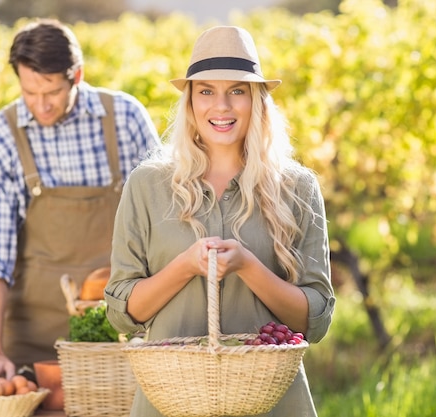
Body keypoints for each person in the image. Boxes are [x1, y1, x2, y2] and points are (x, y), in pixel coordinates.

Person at [105, 26, 335, 416]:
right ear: (190, 102)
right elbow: (123, 314)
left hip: (273, 402)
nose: (221, 106)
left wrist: (248, 265)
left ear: (257, 100)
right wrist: (184, 266)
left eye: (237, 91)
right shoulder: (147, 185)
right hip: (170, 402)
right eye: (206, 91)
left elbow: (315, 319)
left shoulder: (297, 186)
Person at [0, 18, 161, 382]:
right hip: (35, 343)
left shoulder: (126, 118)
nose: (40, 106)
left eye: (52, 91)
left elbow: (163, 224)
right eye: (29, 92)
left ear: (77, 75)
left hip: (127, 335)